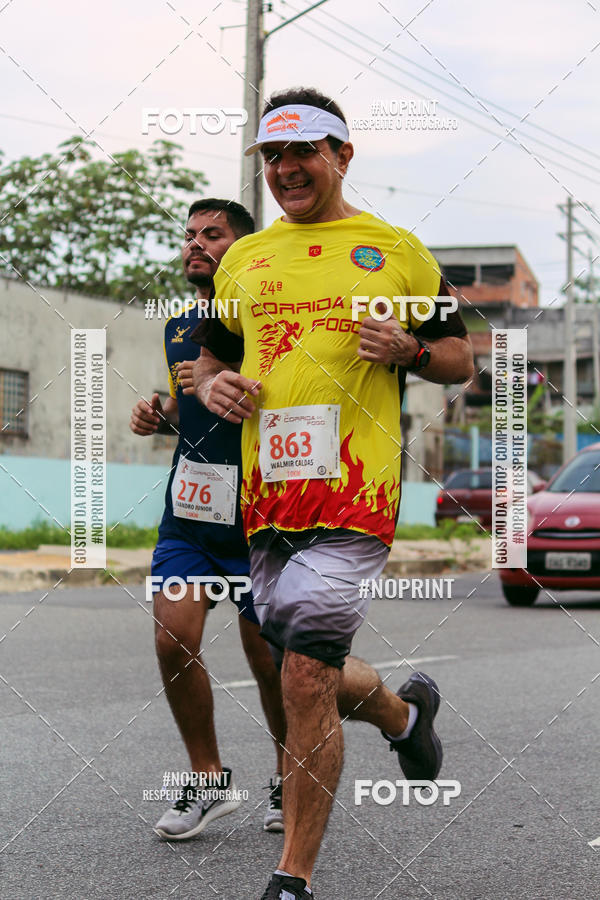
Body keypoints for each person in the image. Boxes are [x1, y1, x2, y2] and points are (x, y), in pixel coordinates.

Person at [193, 89, 474, 899]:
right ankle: (403, 716)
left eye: (303, 153)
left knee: (306, 679)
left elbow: (461, 357)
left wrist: (413, 349)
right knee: (297, 665)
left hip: (356, 494)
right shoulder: (245, 261)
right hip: (268, 498)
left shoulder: (394, 250)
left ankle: (293, 880)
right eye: (272, 159)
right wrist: (213, 387)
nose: (286, 171)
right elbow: (213, 359)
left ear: (341, 156)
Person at [129, 198, 286, 839]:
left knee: (270, 660)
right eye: (189, 235)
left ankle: (289, 776)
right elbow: (193, 401)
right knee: (171, 640)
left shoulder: (271, 319)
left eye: (212, 235)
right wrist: (162, 410)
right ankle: (207, 780)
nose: (195, 243)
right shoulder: (178, 326)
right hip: (190, 515)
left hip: (261, 516)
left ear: (244, 248)